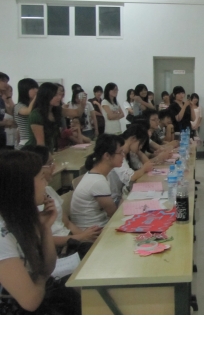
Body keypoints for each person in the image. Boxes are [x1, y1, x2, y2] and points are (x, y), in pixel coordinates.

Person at [0, 150, 80, 314]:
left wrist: (45, 228)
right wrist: (42, 278)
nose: (46, 184)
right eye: (42, 178)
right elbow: (30, 301)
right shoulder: (2, 235)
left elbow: (48, 267)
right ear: (23, 185)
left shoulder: (19, 220)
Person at [22, 145, 102, 253]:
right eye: (50, 163)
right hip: (59, 248)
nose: (54, 166)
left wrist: (86, 237)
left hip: (70, 240)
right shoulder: (32, 202)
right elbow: (41, 240)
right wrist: (80, 237)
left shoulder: (49, 190)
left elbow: (67, 223)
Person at [70, 134, 124, 229]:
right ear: (107, 156)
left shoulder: (97, 174)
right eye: (120, 153)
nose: (123, 155)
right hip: (93, 231)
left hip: (100, 224)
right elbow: (114, 215)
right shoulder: (98, 182)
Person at [108, 124, 154, 205]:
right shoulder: (118, 152)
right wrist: (144, 168)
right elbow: (130, 177)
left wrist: (138, 151)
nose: (141, 147)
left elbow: (146, 165)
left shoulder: (130, 151)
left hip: (124, 193)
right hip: (115, 199)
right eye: (141, 144)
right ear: (133, 139)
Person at [25, 82, 63, 152]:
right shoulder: (36, 114)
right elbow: (40, 144)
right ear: (46, 96)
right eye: (55, 95)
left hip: (48, 151)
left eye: (59, 95)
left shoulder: (55, 111)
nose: (59, 98)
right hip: (35, 152)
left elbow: (75, 112)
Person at [14, 78, 39, 149]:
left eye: (36, 88)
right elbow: (28, 111)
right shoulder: (19, 106)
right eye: (32, 88)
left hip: (36, 142)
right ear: (24, 90)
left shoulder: (37, 106)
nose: (36, 90)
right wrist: (37, 97)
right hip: (25, 144)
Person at [0, 72, 14, 149]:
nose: (6, 84)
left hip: (2, 136)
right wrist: (4, 123)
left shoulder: (1, 100)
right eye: (3, 81)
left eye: (7, 82)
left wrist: (8, 97)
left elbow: (13, 112)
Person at [1, 85, 16, 149]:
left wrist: (9, 98)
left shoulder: (13, 104)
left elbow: (14, 112)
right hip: (4, 136)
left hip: (13, 137)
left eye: (10, 91)